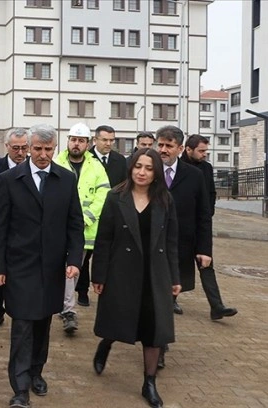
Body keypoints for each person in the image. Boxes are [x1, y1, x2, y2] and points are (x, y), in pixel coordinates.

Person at [0, 124, 83, 408]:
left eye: (49, 149)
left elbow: (75, 224)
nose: (43, 155)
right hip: (19, 266)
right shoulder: (9, 179)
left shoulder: (65, 179)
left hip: (52, 267)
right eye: (38, 149)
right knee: (22, 325)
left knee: (42, 323)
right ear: (28, 148)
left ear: (55, 148)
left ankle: (36, 371)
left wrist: (73, 260)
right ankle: (20, 389)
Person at [91, 148, 181, 408]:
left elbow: (172, 241)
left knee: (154, 328)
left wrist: (175, 277)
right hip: (122, 271)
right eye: (138, 166)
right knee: (120, 318)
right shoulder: (115, 196)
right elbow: (104, 239)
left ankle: (149, 382)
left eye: (149, 168)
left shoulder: (165, 200)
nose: (142, 172)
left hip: (156, 274)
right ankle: (105, 344)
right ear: (131, 168)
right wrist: (100, 274)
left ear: (156, 173)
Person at [169, 131, 236, 319]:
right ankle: (171, 300)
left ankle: (217, 306)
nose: (204, 154)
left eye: (206, 151)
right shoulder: (176, 168)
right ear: (187, 150)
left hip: (199, 226)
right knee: (177, 266)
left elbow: (211, 194)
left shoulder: (206, 168)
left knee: (206, 264)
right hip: (178, 229)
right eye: (201, 151)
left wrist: (208, 211)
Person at [54, 123, 110, 334]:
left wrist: (86, 217)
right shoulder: (56, 162)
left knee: (72, 271)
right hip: (57, 229)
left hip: (85, 230)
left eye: (81, 141)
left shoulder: (96, 167)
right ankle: (62, 306)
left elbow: (103, 195)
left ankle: (69, 311)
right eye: (73, 140)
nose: (76, 144)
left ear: (88, 144)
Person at [0, 128, 29, 331]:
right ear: (7, 147)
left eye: (24, 148)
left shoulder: (33, 168)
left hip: (24, 234)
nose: (20, 152)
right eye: (16, 148)